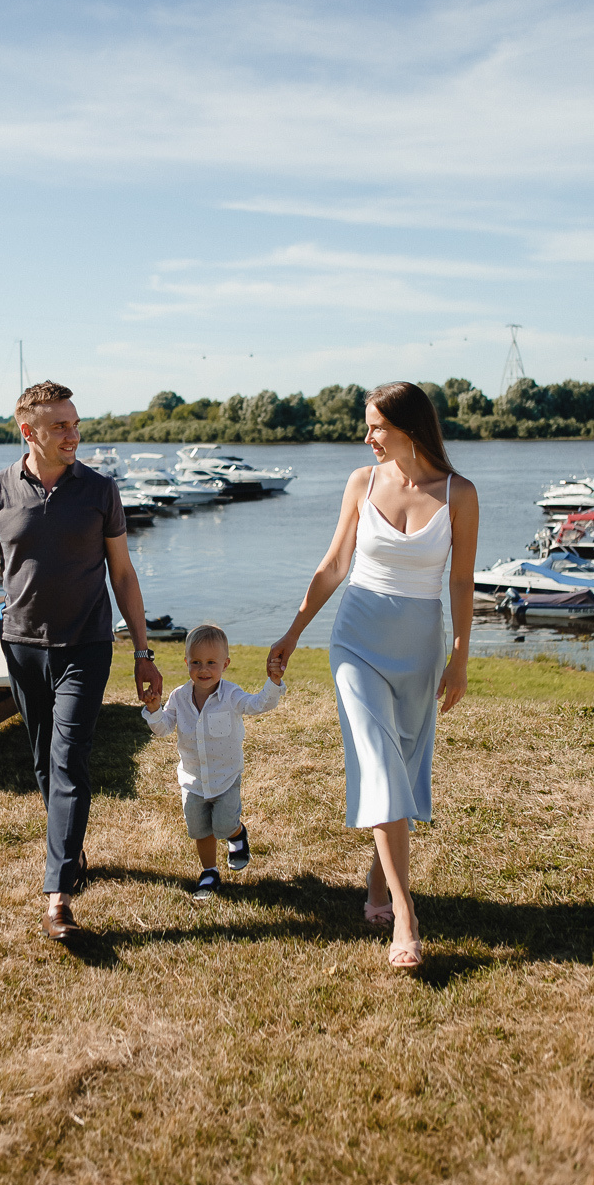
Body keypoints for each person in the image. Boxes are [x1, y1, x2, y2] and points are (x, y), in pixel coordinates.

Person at [269, 382, 478, 969]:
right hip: (356, 639)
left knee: (405, 766)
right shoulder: (362, 482)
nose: (366, 438)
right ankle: (406, 917)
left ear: (408, 429)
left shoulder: (460, 494)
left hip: (419, 646)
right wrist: (292, 632)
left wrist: (460, 654)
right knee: (379, 760)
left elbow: (461, 583)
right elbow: (335, 563)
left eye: (376, 427)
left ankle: (379, 880)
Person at [0, 381, 163, 942]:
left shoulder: (100, 491)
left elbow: (122, 575)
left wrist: (143, 653)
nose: (73, 435)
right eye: (60, 427)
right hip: (22, 647)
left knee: (70, 757)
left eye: (76, 425)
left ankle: (58, 895)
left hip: (86, 645)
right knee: (43, 761)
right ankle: (70, 852)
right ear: (28, 432)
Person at [142, 623, 285, 901]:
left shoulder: (230, 695)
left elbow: (258, 704)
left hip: (225, 777)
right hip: (193, 779)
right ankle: (209, 871)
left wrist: (274, 682)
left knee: (222, 825)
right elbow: (163, 728)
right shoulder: (179, 697)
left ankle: (237, 834)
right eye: (196, 662)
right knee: (200, 830)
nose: (203, 670)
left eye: (211, 663)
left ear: (225, 664)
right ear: (186, 662)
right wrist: (154, 710)